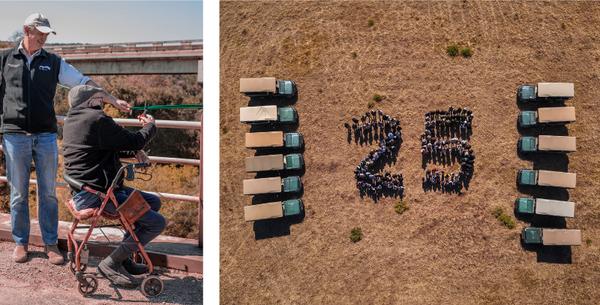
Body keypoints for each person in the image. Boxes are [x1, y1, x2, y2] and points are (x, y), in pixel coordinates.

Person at [0, 13, 130, 264]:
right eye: (41, 33)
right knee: (18, 193)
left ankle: (50, 243)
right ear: (27, 30)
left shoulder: (54, 62)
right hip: (15, 136)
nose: (45, 37)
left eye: (47, 33)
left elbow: (82, 83)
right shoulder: (5, 59)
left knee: (48, 192)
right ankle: (21, 243)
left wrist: (112, 99)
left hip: (46, 136)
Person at [62, 85, 166, 288]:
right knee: (157, 223)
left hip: (85, 191)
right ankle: (110, 263)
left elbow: (99, 151)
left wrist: (131, 153)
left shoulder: (72, 121)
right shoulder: (97, 120)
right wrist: (151, 125)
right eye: (100, 99)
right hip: (100, 195)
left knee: (153, 202)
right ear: (91, 101)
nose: (103, 103)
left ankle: (124, 257)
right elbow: (136, 140)